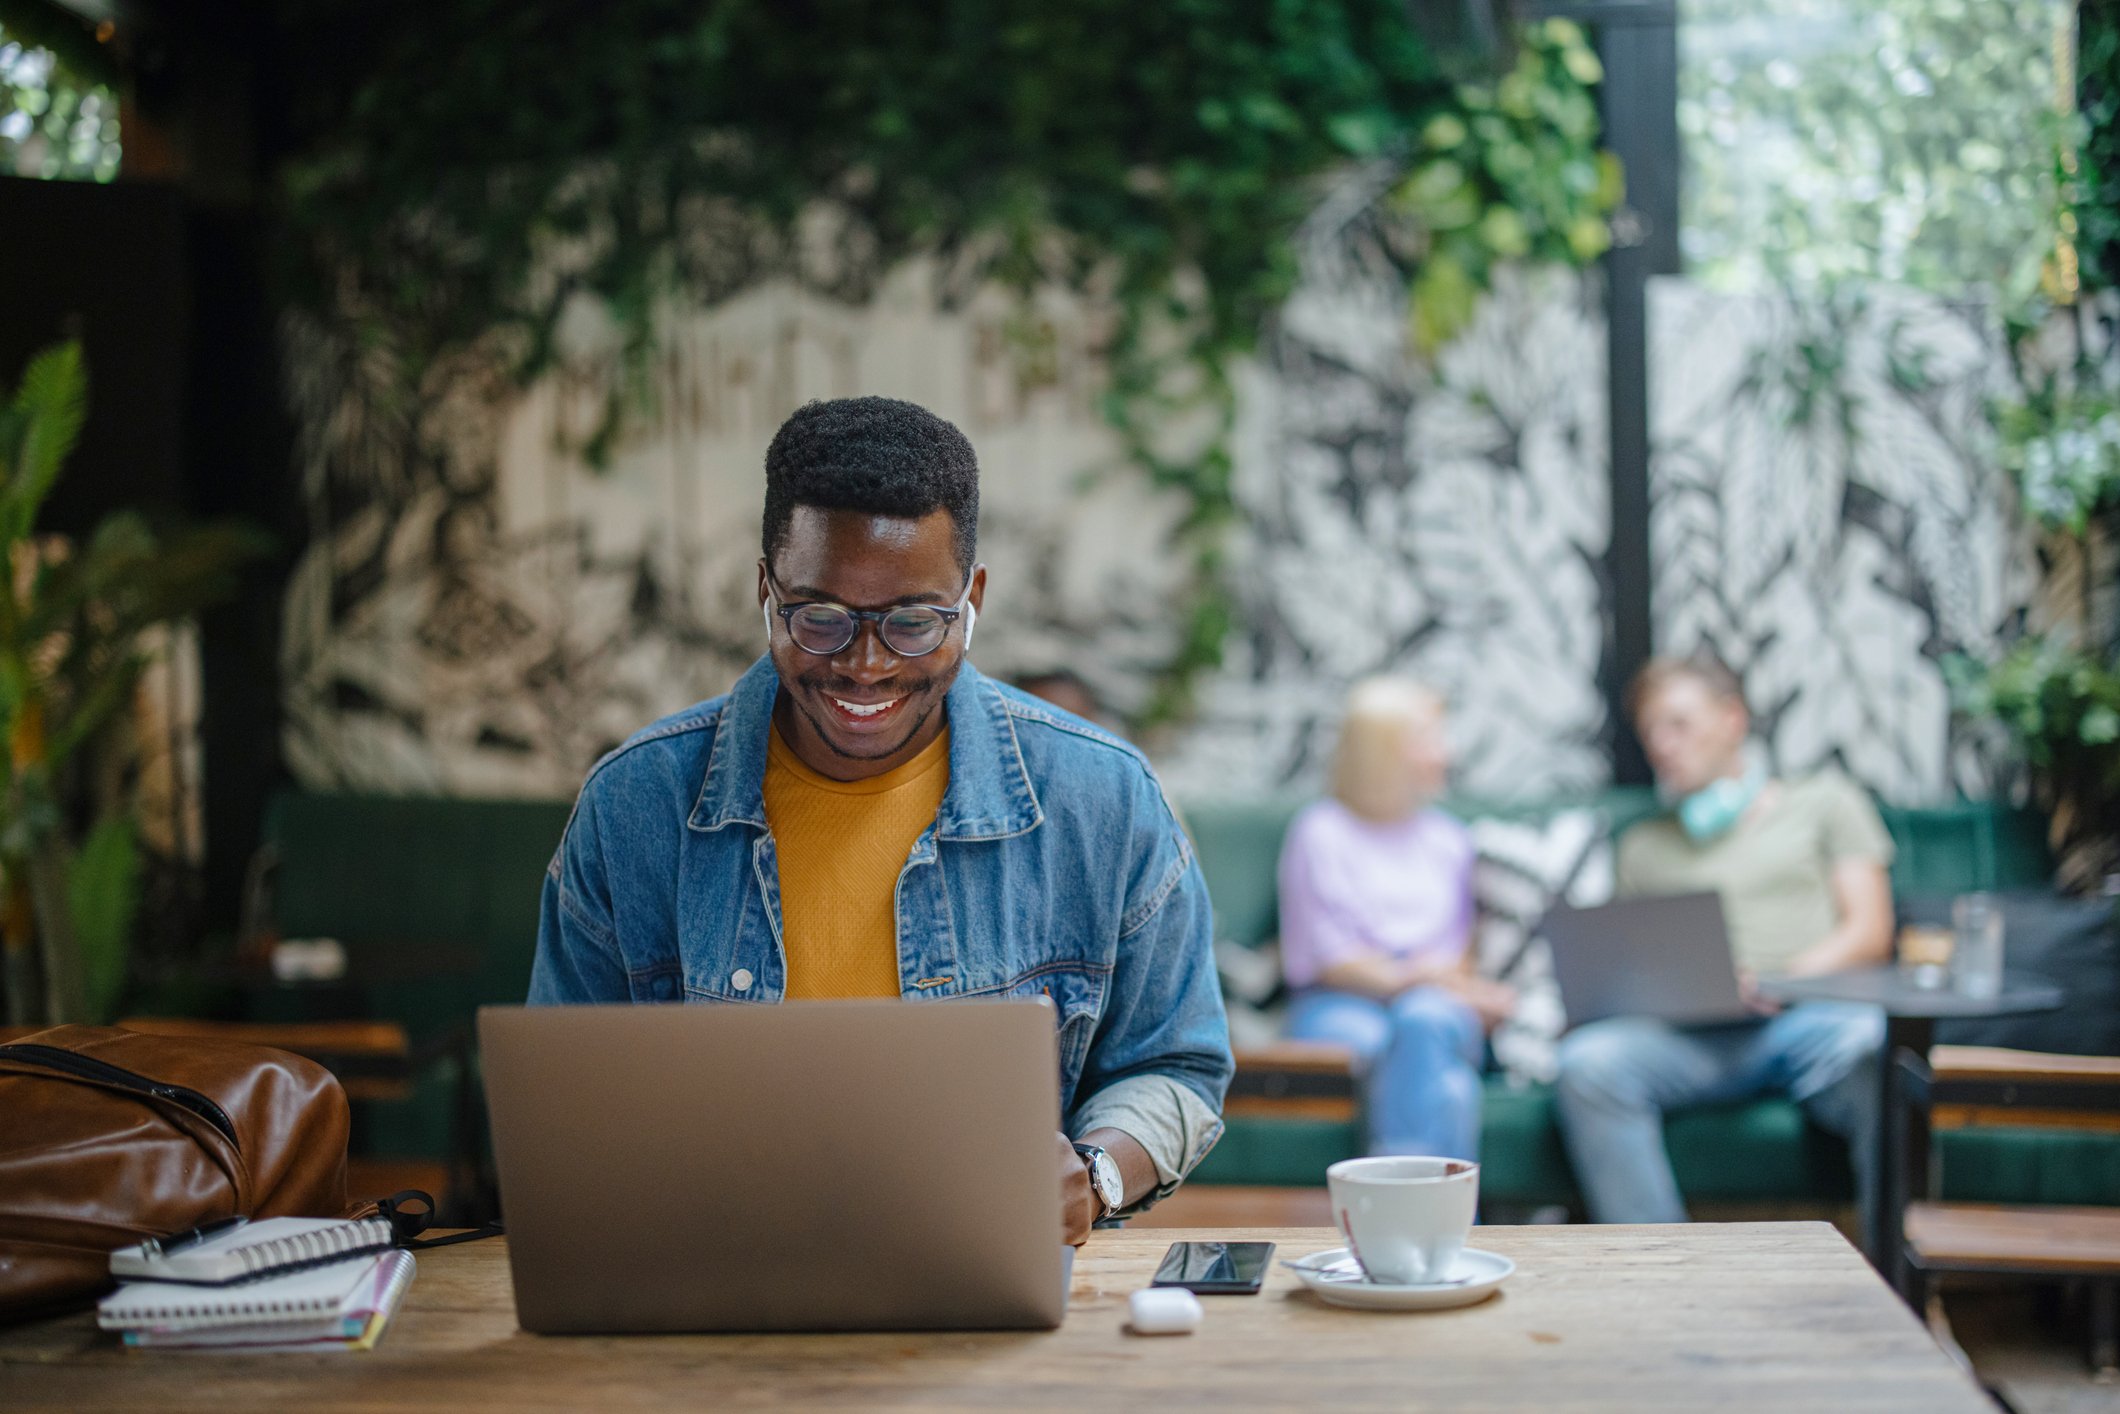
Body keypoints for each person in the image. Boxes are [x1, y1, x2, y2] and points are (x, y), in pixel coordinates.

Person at [528, 396, 1232, 1245]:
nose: (865, 667)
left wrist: (1093, 1173)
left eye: (912, 622)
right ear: (765, 589)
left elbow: (1177, 1063)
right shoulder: (634, 807)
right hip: (713, 1282)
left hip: (988, 1285)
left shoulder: (1104, 799)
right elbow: (564, 1107)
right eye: (820, 618)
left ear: (972, 598)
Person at [1554, 656, 1894, 1224]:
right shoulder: (1642, 845)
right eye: (1650, 732)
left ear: (1732, 719)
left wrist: (1778, 981)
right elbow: (1627, 968)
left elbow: (1870, 932)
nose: (1662, 745)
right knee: (1588, 1065)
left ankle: (1897, 1275)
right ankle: (1665, 1279)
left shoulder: (1824, 802)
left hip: (1808, 1022)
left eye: (1678, 724)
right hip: (1694, 1042)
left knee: (1874, 1047)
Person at [1275, 678, 1515, 1161]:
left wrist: (1471, 992)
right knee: (1448, 1085)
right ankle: (1442, 1221)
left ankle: (1393, 1205)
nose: (1445, 752)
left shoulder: (1449, 839)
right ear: (1384, 751)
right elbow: (1329, 960)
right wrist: (1412, 977)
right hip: (1340, 1001)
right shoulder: (1320, 831)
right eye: (1430, 737)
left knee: (1423, 1022)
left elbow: (1460, 954)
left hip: (1432, 1002)